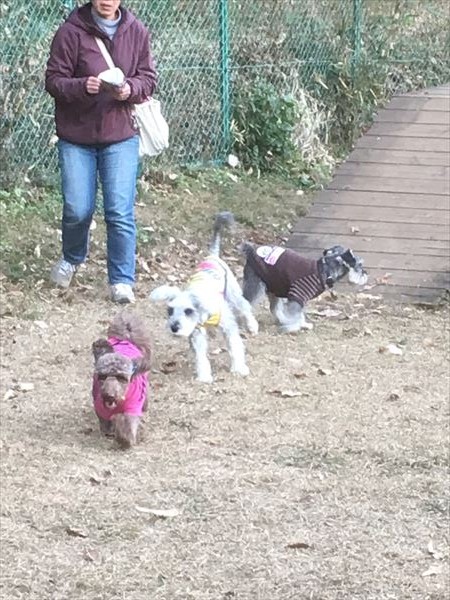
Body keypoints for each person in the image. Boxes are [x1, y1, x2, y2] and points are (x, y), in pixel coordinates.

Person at [45, 0, 157, 303]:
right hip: (76, 137)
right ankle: (72, 257)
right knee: (77, 209)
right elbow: (53, 81)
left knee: (119, 211)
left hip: (120, 135)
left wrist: (130, 89)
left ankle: (121, 280)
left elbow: (148, 78)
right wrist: (83, 86)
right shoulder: (70, 32)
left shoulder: (137, 31)